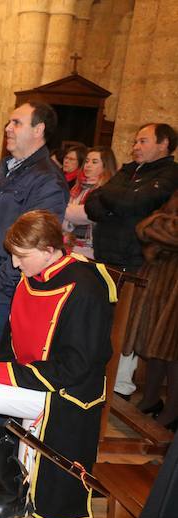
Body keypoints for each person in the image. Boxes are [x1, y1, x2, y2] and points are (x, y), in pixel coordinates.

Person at [0, 210, 115, 518]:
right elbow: (11, 343)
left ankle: (9, 494)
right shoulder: (34, 276)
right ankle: (13, 485)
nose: (14, 264)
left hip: (66, 395)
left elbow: (75, 368)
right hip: (38, 383)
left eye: (21, 256)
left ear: (49, 250)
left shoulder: (86, 288)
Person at [0, 102, 70, 363]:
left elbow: (38, 240)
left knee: (1, 360)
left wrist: (2, 277)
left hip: (5, 289)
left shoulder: (47, 179)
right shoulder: (5, 168)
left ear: (38, 129)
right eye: (9, 122)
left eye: (16, 123)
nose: (8, 128)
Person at [84, 123, 178, 400]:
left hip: (134, 259)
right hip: (106, 255)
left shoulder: (169, 174)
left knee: (126, 325)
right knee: (102, 321)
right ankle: (99, 376)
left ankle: (120, 384)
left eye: (143, 141)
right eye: (135, 141)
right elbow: (93, 204)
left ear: (163, 145)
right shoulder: (128, 170)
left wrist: (110, 196)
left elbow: (132, 204)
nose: (135, 147)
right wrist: (116, 198)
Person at [124, 191, 178, 430]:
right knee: (155, 343)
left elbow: (164, 230)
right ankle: (151, 399)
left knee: (172, 349)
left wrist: (158, 222)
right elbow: (145, 229)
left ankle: (173, 409)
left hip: (173, 281)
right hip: (163, 278)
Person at [63, 146, 118, 259]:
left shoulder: (107, 190)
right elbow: (66, 219)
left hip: (91, 249)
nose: (88, 165)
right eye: (87, 161)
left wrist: (62, 207)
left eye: (94, 162)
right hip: (70, 245)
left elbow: (87, 214)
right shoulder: (78, 187)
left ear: (105, 166)